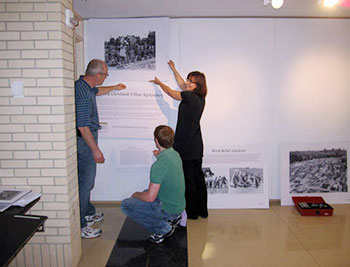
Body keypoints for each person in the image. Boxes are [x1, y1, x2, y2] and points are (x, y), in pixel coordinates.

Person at [149, 60, 208, 220]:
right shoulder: (199, 98)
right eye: (188, 80)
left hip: (186, 144)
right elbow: (182, 85)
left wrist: (159, 83)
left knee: (188, 179)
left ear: (198, 85)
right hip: (196, 143)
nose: (188, 83)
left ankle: (192, 213)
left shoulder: (190, 97)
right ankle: (202, 211)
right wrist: (174, 69)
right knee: (198, 178)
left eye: (192, 81)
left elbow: (171, 93)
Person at [75, 59, 126, 238]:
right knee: (86, 182)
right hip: (85, 141)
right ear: (97, 75)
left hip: (87, 139)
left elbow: (98, 91)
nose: (106, 78)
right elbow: (82, 126)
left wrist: (114, 87)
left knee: (88, 181)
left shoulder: (86, 86)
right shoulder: (81, 92)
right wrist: (95, 150)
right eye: (105, 75)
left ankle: (88, 212)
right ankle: (81, 226)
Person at [121, 125, 185, 244]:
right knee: (147, 191)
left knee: (126, 205)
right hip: (178, 205)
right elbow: (165, 165)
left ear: (156, 141)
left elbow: (150, 198)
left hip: (168, 208)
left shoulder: (158, 166)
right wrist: (158, 155)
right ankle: (174, 218)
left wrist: (135, 194)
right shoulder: (175, 155)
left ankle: (162, 229)